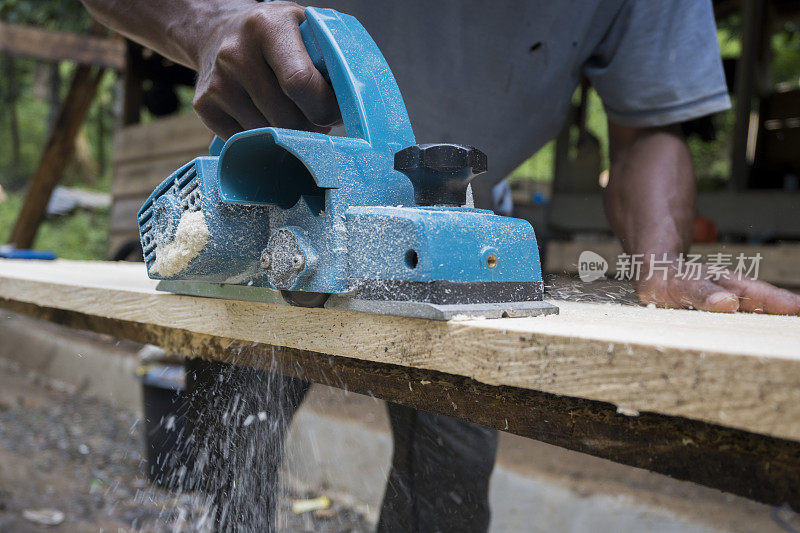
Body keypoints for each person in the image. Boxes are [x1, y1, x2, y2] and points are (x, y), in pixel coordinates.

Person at [81, 1, 800, 531]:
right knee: (234, 450)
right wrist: (204, 21)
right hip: (281, 197)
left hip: (458, 216)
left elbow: (649, 126)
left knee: (447, 489)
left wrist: (660, 259)